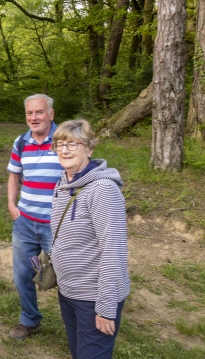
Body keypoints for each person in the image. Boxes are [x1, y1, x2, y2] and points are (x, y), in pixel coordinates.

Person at [50, 120, 129, 358]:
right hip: (69, 292)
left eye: (73, 144)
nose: (64, 150)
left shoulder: (102, 189)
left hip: (94, 298)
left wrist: (105, 306)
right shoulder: (64, 182)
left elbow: (113, 250)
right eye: (59, 144)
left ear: (90, 148)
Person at [5, 94, 65, 340]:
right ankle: (30, 320)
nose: (34, 117)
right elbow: (14, 176)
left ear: (51, 114)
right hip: (25, 223)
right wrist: (12, 206)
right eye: (30, 113)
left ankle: (77, 325)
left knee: (67, 275)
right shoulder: (21, 142)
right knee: (24, 273)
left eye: (39, 112)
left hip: (58, 226)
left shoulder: (65, 139)